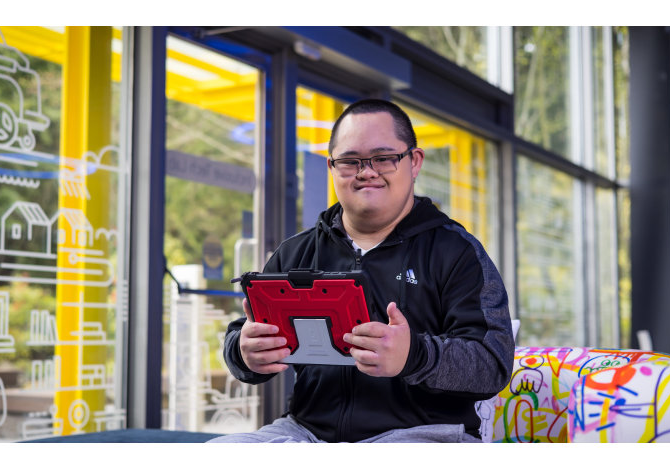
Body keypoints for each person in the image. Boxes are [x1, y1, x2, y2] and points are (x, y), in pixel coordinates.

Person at [208, 99, 514, 443]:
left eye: (384, 158)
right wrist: (243, 351)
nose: (366, 171)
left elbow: (493, 363)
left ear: (414, 162)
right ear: (332, 167)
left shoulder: (456, 252)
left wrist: (414, 354)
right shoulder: (297, 251)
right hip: (305, 433)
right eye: (350, 161)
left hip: (423, 437)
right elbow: (245, 329)